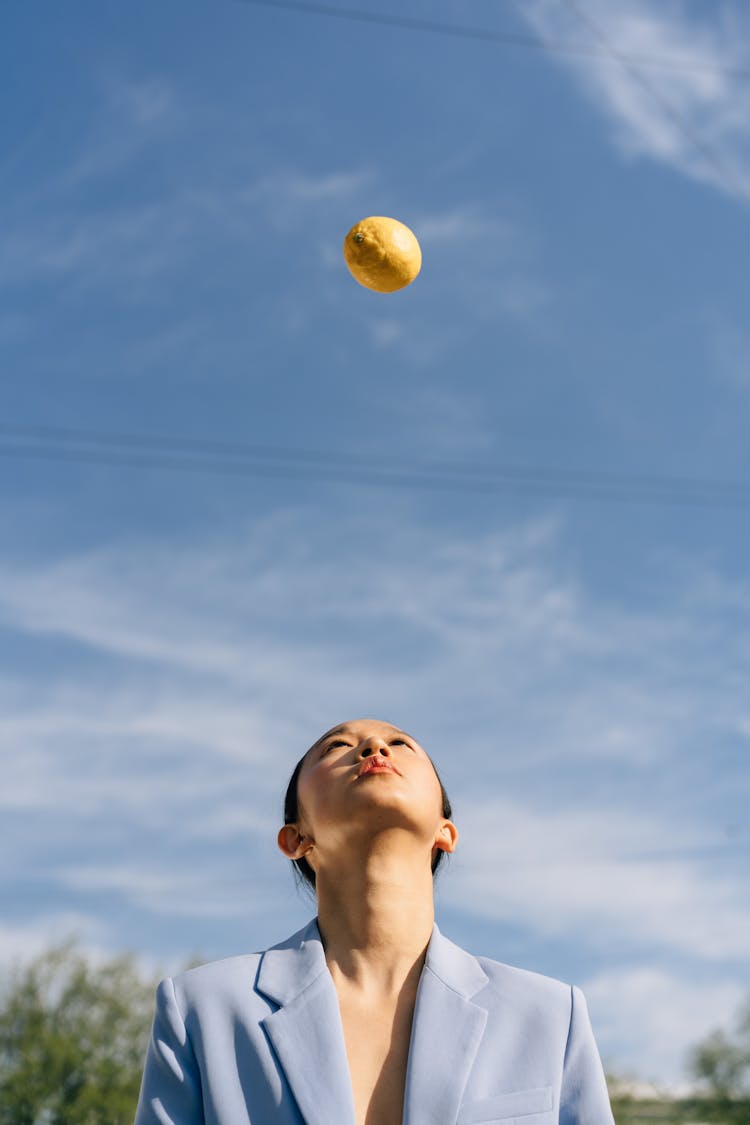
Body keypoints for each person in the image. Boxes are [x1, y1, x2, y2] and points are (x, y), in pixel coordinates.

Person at [135, 717, 615, 1124]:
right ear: (294, 839)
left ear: (445, 832)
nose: (374, 747)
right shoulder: (203, 1009)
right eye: (338, 746)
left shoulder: (550, 1015)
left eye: (402, 745)